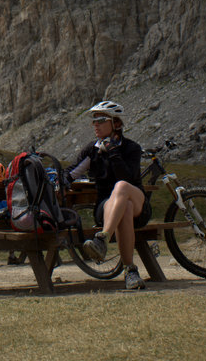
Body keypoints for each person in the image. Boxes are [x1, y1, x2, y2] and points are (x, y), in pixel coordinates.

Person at [63, 100, 150, 290]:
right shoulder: (92, 150)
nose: (95, 124)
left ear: (116, 123)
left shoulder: (131, 148)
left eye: (101, 120)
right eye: (93, 121)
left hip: (138, 204)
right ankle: (131, 271)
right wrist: (59, 179)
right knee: (123, 208)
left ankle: (102, 239)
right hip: (107, 207)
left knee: (122, 187)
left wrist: (112, 152)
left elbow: (129, 177)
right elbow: (72, 173)